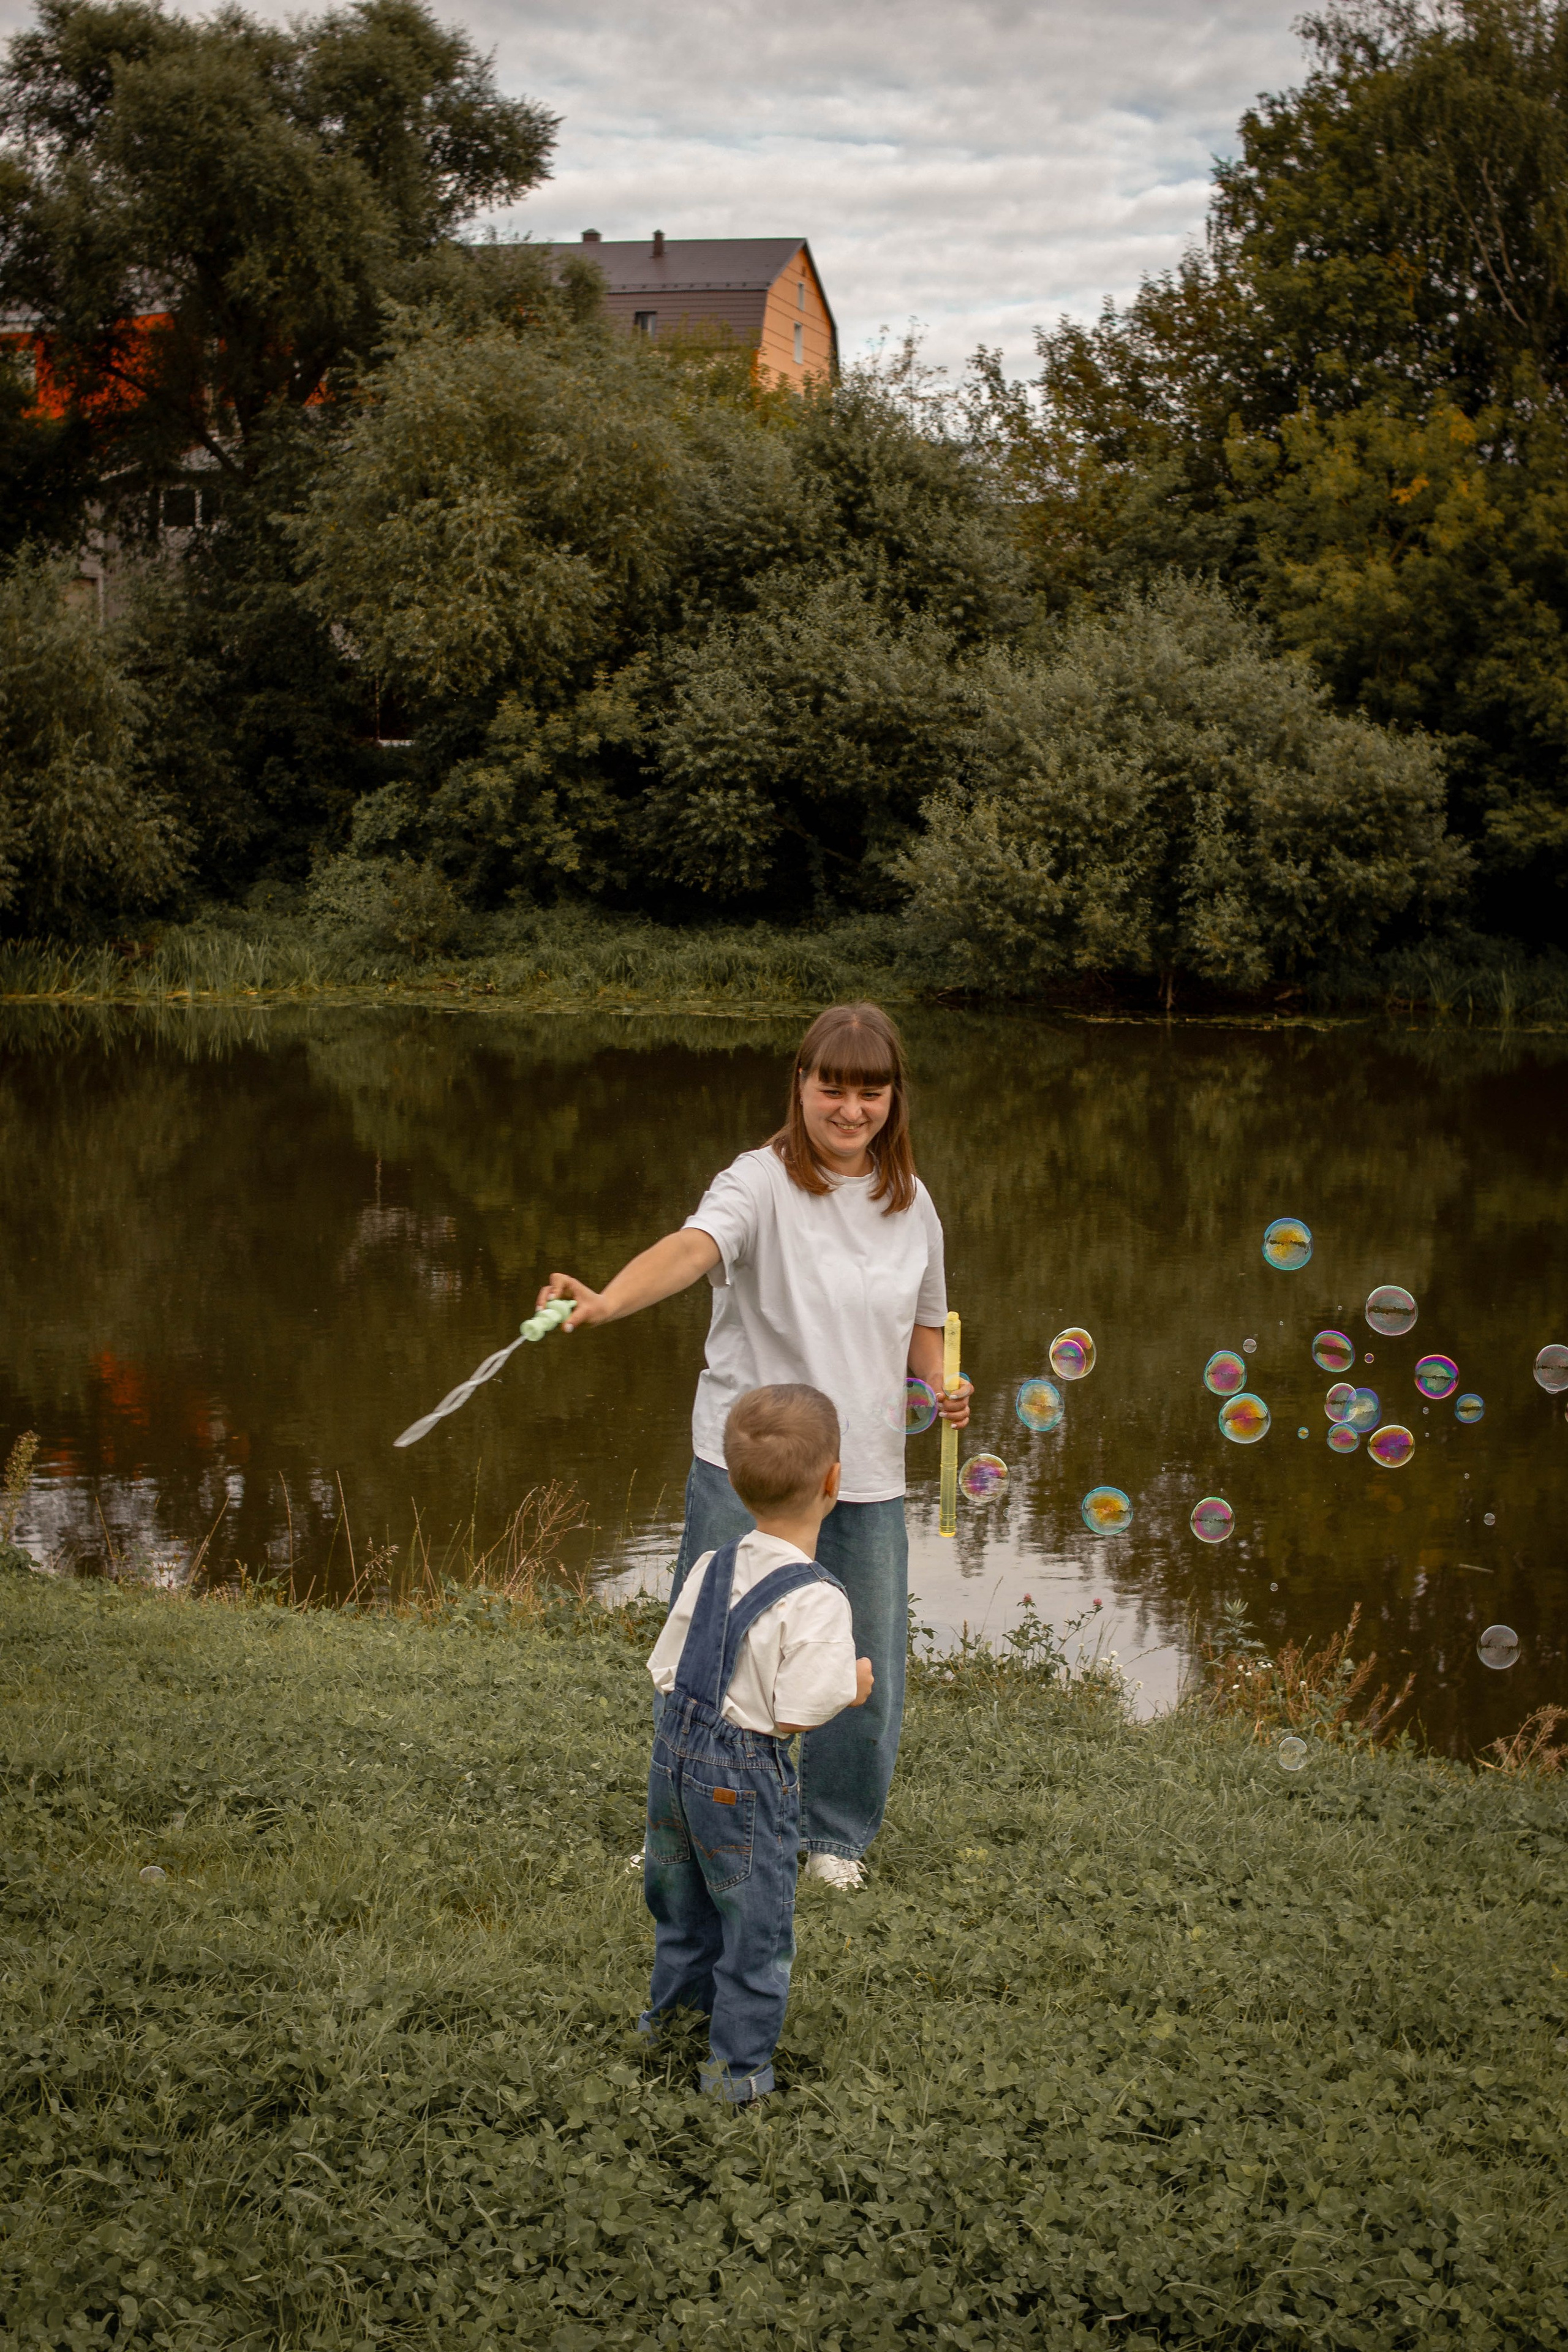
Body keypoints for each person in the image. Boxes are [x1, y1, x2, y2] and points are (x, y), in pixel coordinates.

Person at [537, 1000, 970, 1890]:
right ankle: (682, 1828)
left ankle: (835, 1841)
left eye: (871, 1092)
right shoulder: (758, 1180)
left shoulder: (912, 1203)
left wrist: (941, 1385)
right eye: (832, 1088)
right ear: (802, 1087)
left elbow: (925, 1329)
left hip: (866, 1471)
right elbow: (693, 1248)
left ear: (895, 1098)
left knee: (862, 1661)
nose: (851, 1110)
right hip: (751, 1464)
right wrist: (611, 1301)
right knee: (712, 1651)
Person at [641, 1384, 870, 2102]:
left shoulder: (712, 1566)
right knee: (755, 1929)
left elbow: (667, 1670)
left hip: (672, 1766)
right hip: (740, 1781)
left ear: (736, 1486)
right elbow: (797, 1713)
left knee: (682, 1911)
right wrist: (854, 1687)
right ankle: (735, 2078)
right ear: (834, 1480)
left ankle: (669, 2031)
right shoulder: (818, 1598)